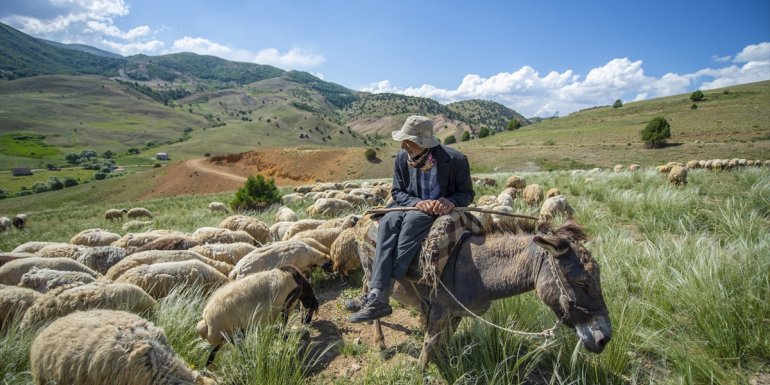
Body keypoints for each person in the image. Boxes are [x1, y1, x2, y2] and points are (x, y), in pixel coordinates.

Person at [348, 115, 475, 323]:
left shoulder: (456, 160)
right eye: (403, 141)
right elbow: (397, 192)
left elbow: (467, 194)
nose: (405, 146)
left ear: (424, 144)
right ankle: (377, 296)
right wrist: (417, 203)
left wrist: (450, 201)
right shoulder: (401, 158)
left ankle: (381, 292)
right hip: (410, 205)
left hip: (434, 212)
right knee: (388, 221)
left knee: (413, 221)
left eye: (410, 142)